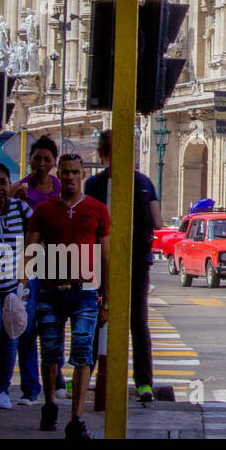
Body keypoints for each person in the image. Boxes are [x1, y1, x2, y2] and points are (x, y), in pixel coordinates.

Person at [27, 153, 109, 439]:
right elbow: (30, 250)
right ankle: (50, 405)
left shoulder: (97, 210)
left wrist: (107, 298)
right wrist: (24, 289)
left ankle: (76, 418)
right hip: (50, 291)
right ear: (58, 175)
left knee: (83, 354)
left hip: (85, 292)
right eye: (65, 172)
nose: (70, 177)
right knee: (50, 354)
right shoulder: (44, 210)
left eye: (75, 172)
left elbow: (106, 256)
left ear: (82, 175)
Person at [84, 130, 161, 402]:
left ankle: (86, 375)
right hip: (137, 260)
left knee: (94, 319)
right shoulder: (144, 182)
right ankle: (144, 384)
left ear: (102, 153)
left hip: (99, 260)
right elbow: (158, 222)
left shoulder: (94, 184)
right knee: (138, 322)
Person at [11, 136, 63, 402]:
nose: (41, 164)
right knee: (27, 326)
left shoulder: (60, 188)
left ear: (53, 163)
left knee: (54, 322)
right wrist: (12, 195)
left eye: (47, 159)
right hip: (29, 264)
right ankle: (31, 388)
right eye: (37, 158)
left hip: (57, 262)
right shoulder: (19, 189)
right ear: (30, 160)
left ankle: (58, 379)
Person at [0, 164, 29, 410]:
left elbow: (39, 235)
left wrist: (25, 280)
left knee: (10, 338)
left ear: (10, 185)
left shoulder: (20, 209)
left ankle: (3, 390)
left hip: (13, 288)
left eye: (3, 182)